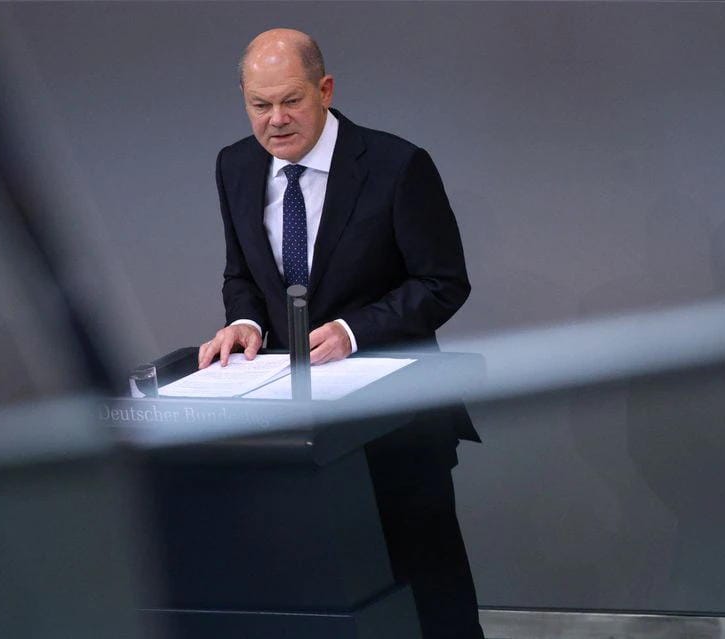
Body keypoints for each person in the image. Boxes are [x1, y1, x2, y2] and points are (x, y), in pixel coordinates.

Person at [196, 28, 483, 639]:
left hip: (397, 422)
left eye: (291, 100)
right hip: (298, 432)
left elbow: (442, 282)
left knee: (431, 598)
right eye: (259, 105)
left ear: (324, 90)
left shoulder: (396, 165)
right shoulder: (235, 166)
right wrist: (243, 322)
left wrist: (353, 331)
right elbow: (242, 272)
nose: (275, 120)